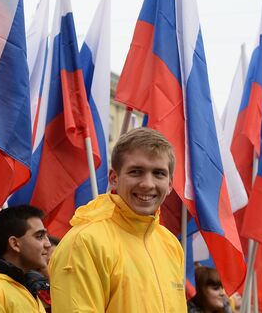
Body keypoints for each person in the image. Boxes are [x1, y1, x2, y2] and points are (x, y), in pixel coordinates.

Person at [49, 127, 187, 312]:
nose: (147, 183)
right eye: (136, 172)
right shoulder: (84, 242)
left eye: (158, 173)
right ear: (114, 178)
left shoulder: (170, 244)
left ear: (170, 184)